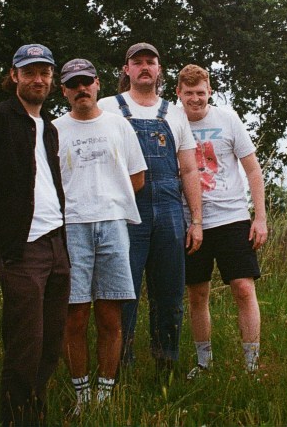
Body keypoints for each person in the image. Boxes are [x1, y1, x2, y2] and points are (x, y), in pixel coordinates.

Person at [0, 43, 70, 427]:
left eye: (44, 73)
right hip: (23, 249)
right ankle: (15, 420)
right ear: (14, 76)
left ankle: (34, 416)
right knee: (25, 347)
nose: (38, 79)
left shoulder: (50, 127)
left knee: (50, 345)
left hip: (57, 244)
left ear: (52, 79)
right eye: (30, 72)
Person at [97, 42, 203, 377]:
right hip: (125, 211)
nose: (144, 67)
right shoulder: (107, 108)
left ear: (159, 70)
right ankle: (119, 368)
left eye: (150, 62)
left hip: (169, 210)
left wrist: (196, 220)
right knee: (122, 291)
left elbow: (189, 170)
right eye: (137, 62)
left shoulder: (175, 113)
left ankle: (166, 365)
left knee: (169, 292)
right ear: (126, 70)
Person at [53, 58, 147, 413]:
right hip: (71, 227)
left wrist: (109, 200)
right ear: (64, 90)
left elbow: (137, 177)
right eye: (73, 84)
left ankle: (106, 394)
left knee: (110, 315)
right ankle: (81, 393)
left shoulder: (119, 125)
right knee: (74, 316)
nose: (81, 89)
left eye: (86, 82)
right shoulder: (53, 130)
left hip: (113, 225)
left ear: (97, 84)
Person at [175, 64, 268, 377]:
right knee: (197, 293)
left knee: (243, 288)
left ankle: (251, 365)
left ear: (210, 92)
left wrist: (260, 217)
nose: (195, 99)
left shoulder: (228, 119)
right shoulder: (172, 122)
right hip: (191, 221)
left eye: (201, 93)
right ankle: (204, 362)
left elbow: (252, 169)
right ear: (178, 93)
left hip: (232, 217)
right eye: (189, 93)